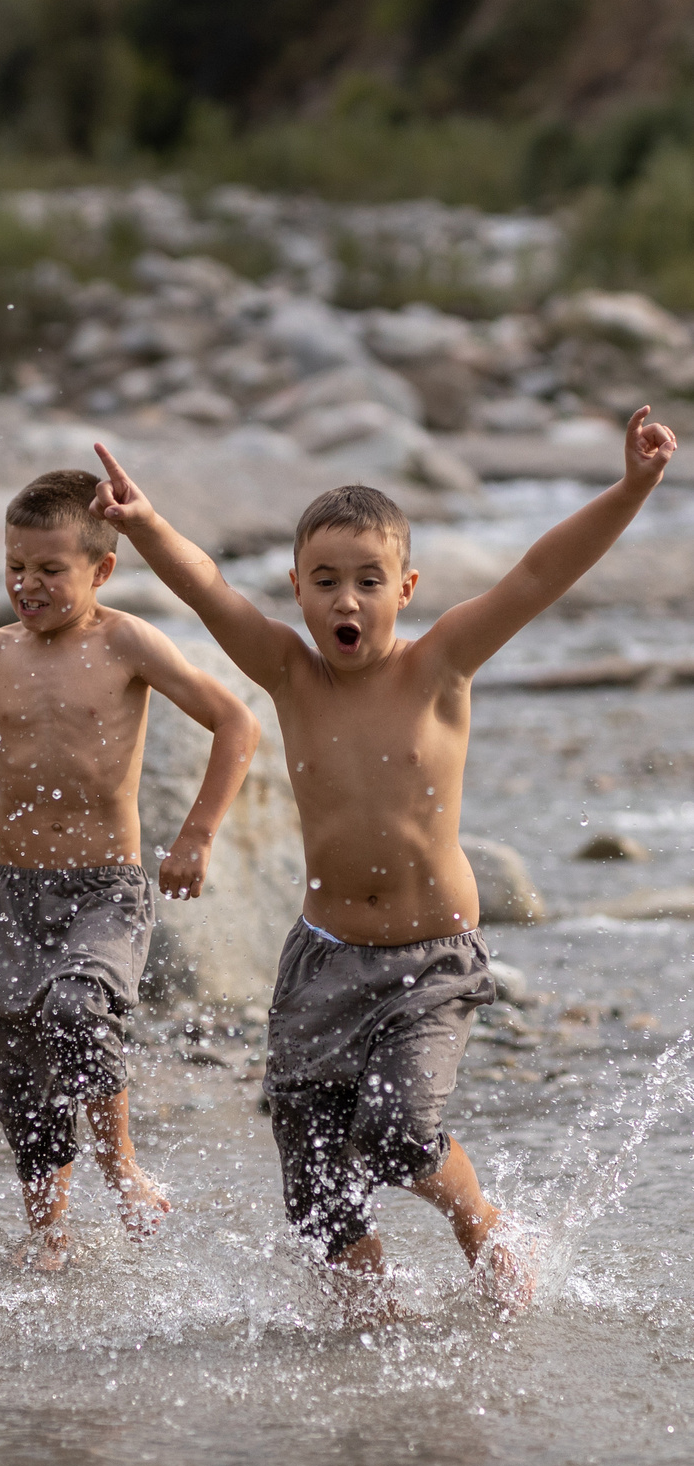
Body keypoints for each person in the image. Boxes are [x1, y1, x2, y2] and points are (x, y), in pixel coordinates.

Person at [89, 408, 677, 1304]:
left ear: (406, 587)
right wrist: (146, 524)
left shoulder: (441, 666)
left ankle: (479, 1223)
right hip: (323, 960)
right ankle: (372, 1327)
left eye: (369, 581)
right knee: (317, 1183)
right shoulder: (290, 675)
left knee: (399, 1132)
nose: (347, 601)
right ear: (296, 589)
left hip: (431, 961)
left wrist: (632, 487)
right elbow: (209, 589)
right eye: (326, 581)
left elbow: (539, 573)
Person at [0, 468, 260, 1270]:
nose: (28, 584)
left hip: (104, 892)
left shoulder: (126, 643)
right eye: (15, 566)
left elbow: (235, 721)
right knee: (17, 1067)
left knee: (75, 1008)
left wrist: (196, 836)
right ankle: (49, 1233)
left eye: (50, 569)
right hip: (11, 895)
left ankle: (122, 1170)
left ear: (102, 570)